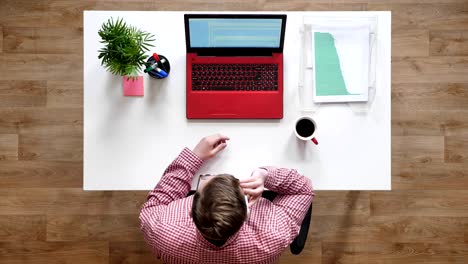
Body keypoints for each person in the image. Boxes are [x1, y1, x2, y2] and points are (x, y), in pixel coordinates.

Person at [139, 134, 314, 264]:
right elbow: (303, 191)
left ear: (191, 212)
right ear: (247, 214)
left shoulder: (161, 232)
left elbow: (157, 202)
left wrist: (194, 157)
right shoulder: (273, 234)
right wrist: (264, 175)